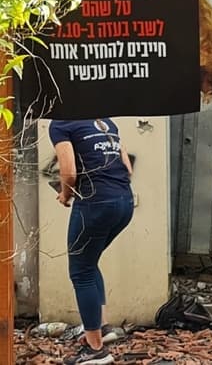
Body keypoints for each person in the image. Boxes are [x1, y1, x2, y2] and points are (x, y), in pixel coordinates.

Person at [49, 118, 134, 365]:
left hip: (95, 203)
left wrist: (65, 195)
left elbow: (69, 173)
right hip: (124, 202)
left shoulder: (61, 124)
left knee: (81, 271)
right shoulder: (106, 122)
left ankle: (96, 349)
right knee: (89, 263)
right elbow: (127, 168)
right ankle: (103, 328)